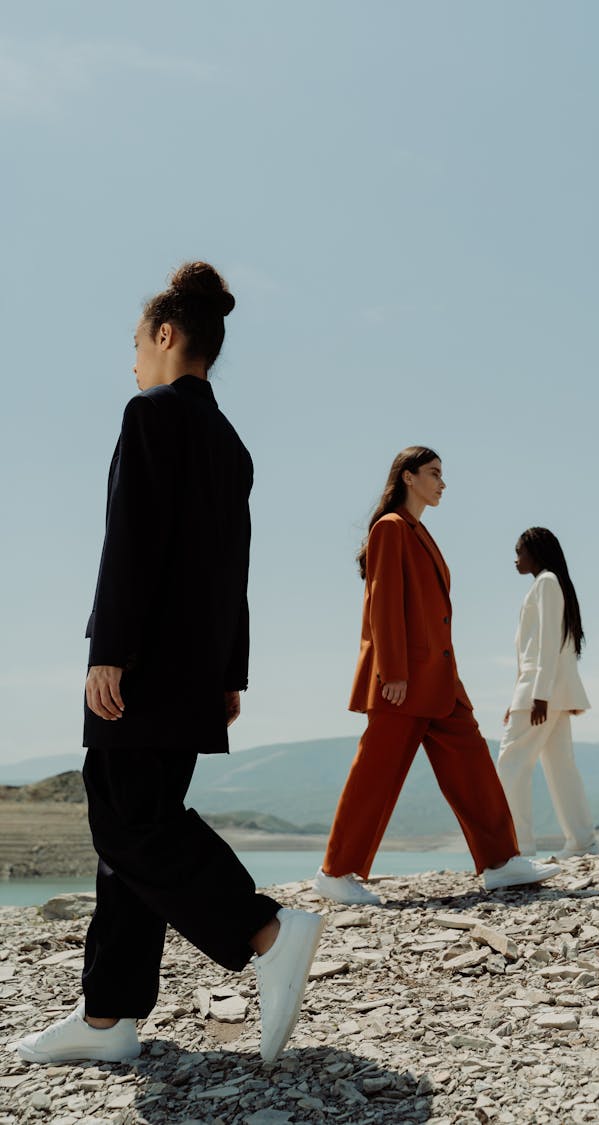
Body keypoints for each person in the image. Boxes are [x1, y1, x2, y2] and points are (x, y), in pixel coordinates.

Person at [15, 262, 323, 1067]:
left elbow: (132, 542)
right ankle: (111, 1014)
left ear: (163, 334)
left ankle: (265, 927)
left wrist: (108, 650)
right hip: (197, 668)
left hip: (145, 662)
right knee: (129, 831)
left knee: (127, 819)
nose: (133, 363)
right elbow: (234, 567)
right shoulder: (231, 442)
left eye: (137, 344)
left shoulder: (150, 414)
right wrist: (231, 673)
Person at [312, 447, 561, 905]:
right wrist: (393, 671)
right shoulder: (390, 529)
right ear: (408, 478)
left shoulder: (419, 531)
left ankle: (501, 862)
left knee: (473, 764)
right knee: (376, 774)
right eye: (434, 474)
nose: (442, 483)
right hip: (402, 678)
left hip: (439, 676)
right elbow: (384, 601)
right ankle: (337, 871)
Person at [497, 527, 599, 861]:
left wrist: (537, 695)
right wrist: (518, 699)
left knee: (511, 763)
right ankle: (582, 843)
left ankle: (519, 848)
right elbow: (545, 646)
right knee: (560, 767)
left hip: (541, 692)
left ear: (535, 552)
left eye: (519, 552)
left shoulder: (546, 583)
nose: (515, 559)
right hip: (547, 691)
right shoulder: (552, 584)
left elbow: (547, 644)